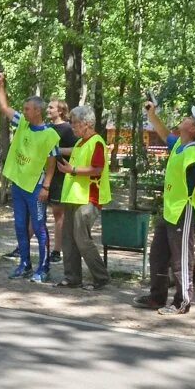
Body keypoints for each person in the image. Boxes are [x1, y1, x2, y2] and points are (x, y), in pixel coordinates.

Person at [132, 102, 195, 315]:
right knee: (158, 255)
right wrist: (152, 114)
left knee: (181, 259)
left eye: (189, 119)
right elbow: (164, 132)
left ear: (193, 129)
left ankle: (182, 302)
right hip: (170, 210)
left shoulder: (193, 152)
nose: (185, 118)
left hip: (184, 211)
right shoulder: (180, 145)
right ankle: (157, 297)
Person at [0, 72, 60, 283]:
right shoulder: (23, 123)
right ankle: (24, 263)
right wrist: (0, 85)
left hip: (36, 186)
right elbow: (5, 108)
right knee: (20, 226)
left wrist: (46, 187)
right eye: (23, 109)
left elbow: (52, 162)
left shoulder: (50, 135)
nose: (23, 112)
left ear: (37, 111)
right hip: (18, 184)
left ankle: (43, 268)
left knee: (40, 226)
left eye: (27, 109)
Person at [53, 106, 110, 291]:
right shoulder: (80, 143)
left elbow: (97, 169)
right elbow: (70, 153)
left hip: (89, 198)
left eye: (75, 123)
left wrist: (73, 170)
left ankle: (101, 277)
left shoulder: (97, 142)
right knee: (69, 239)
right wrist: (55, 150)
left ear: (86, 124)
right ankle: (72, 278)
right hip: (73, 196)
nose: (72, 127)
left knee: (82, 239)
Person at [44, 99, 77, 264]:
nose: (48, 109)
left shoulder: (68, 129)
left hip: (61, 176)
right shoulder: (46, 128)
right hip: (43, 175)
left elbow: (75, 150)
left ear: (61, 111)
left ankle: (57, 251)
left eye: (51, 107)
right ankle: (23, 247)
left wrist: (55, 151)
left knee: (59, 214)